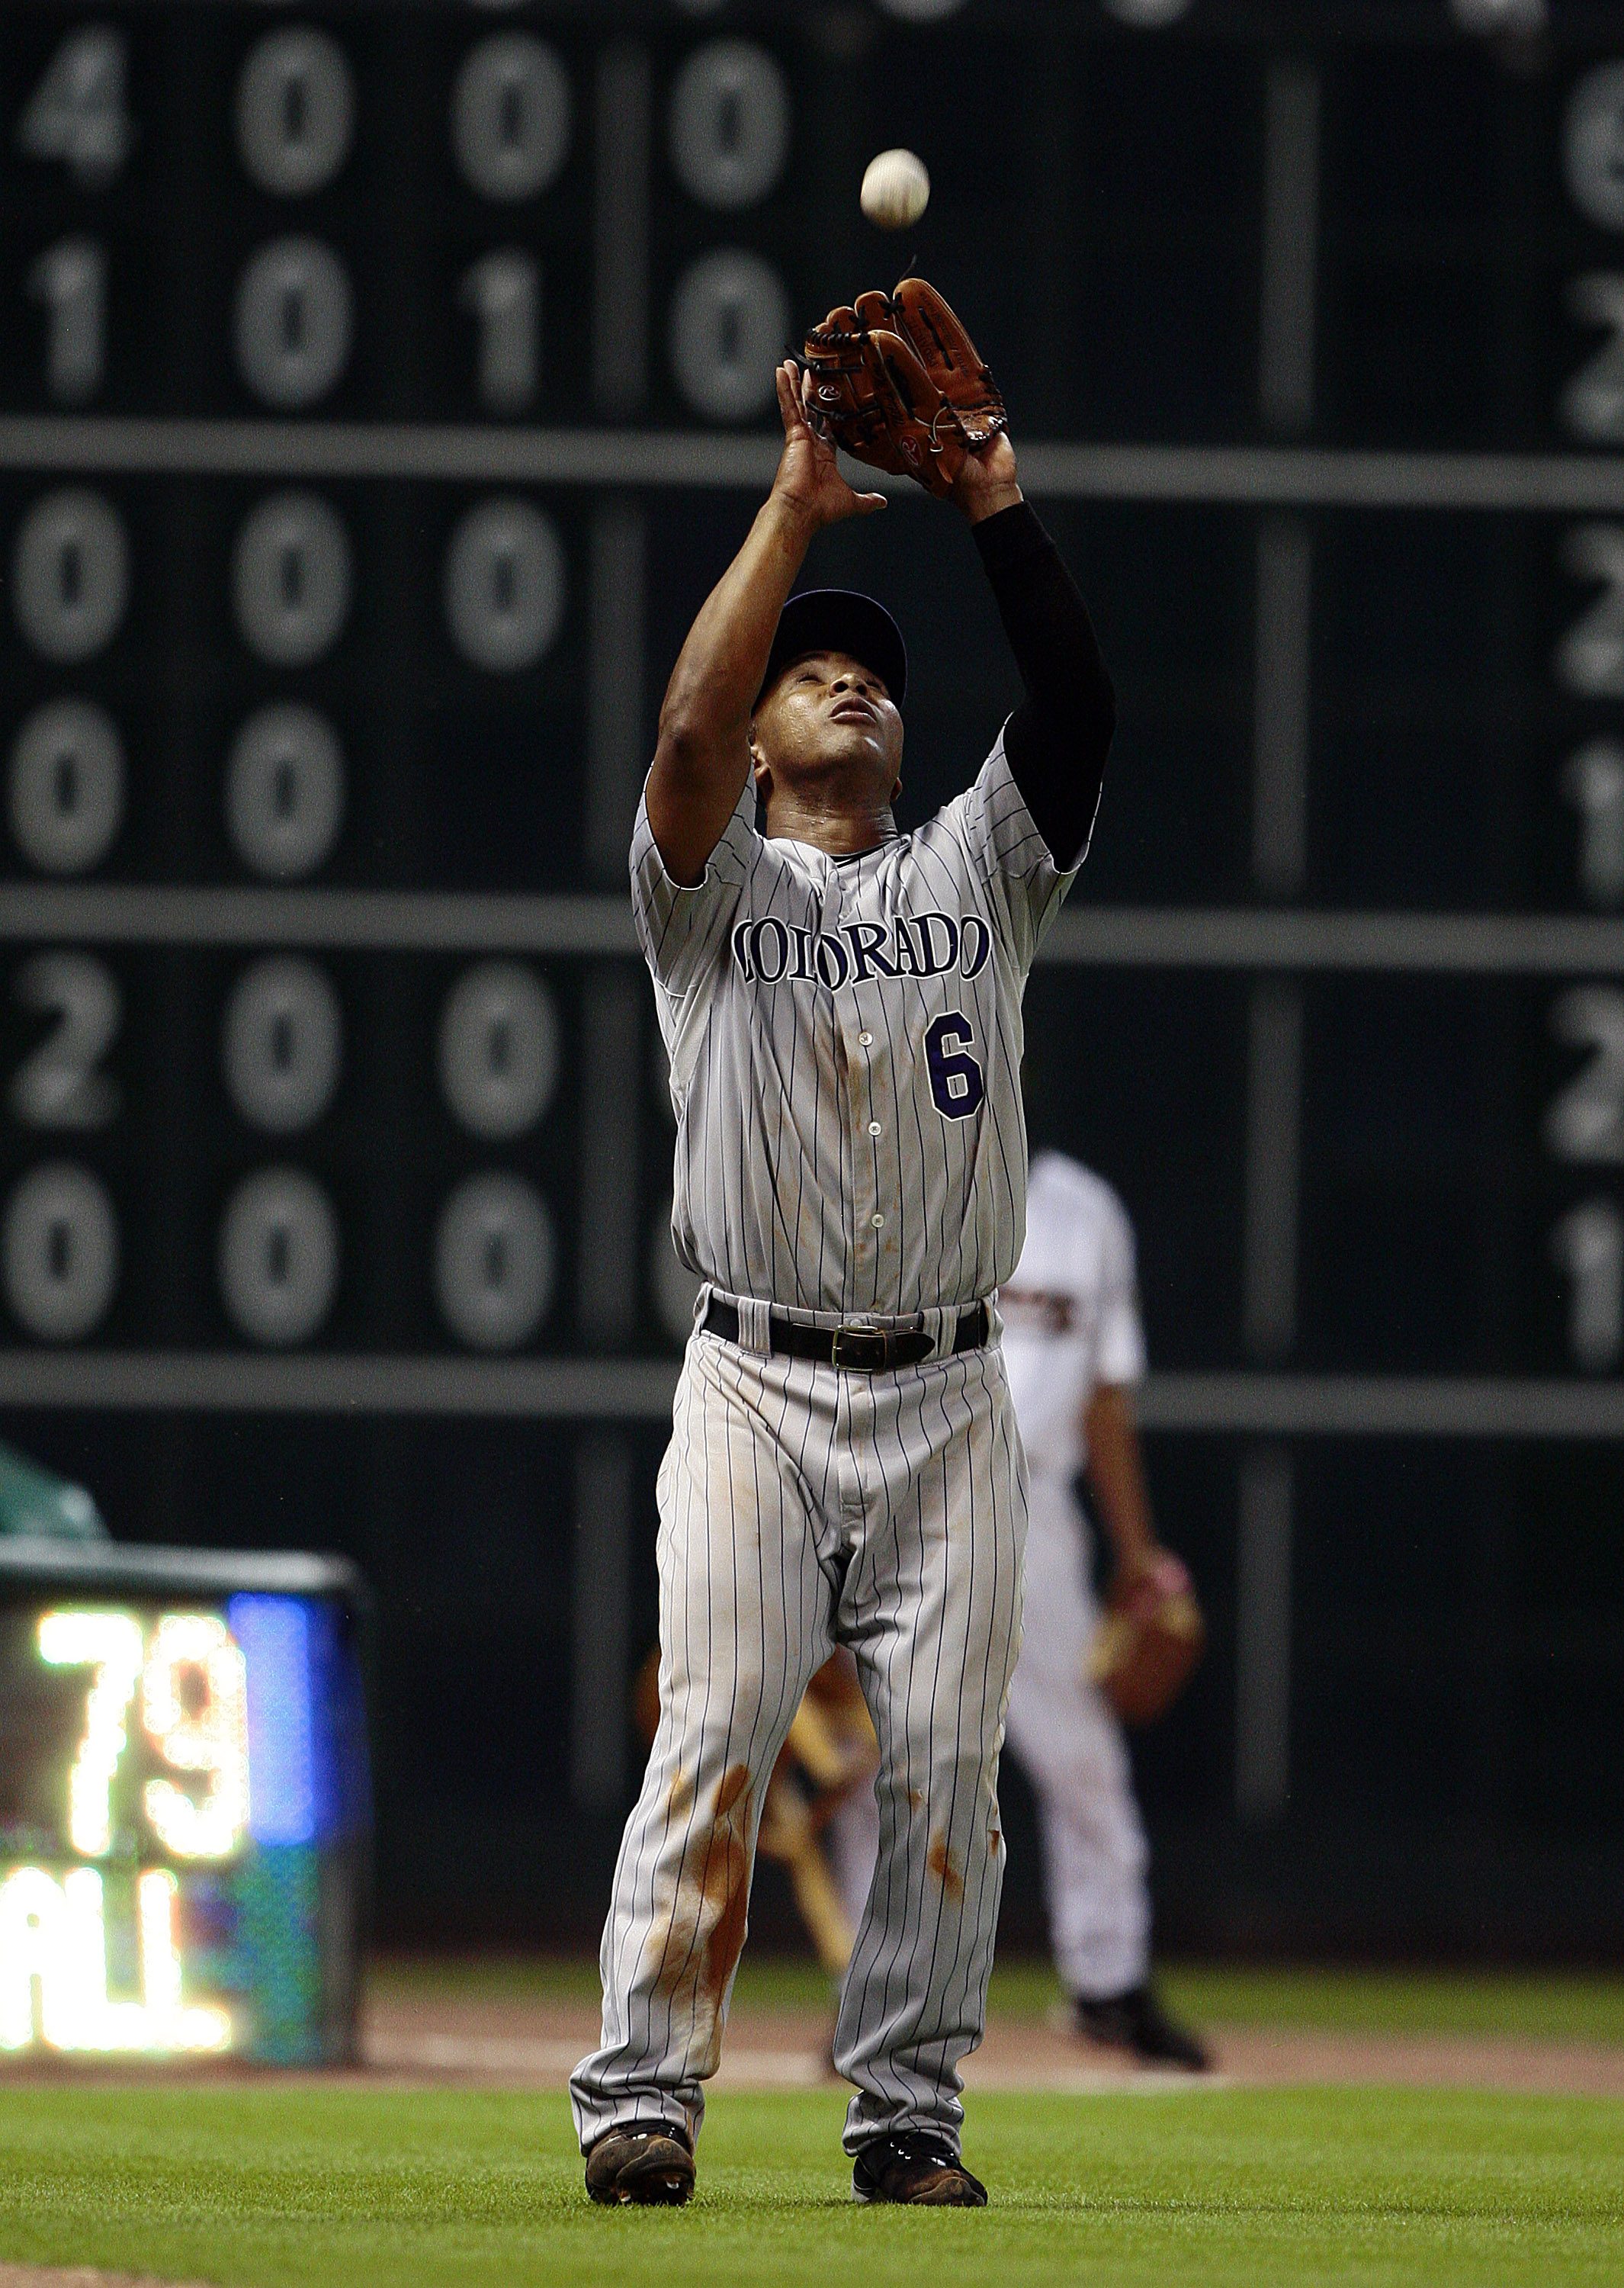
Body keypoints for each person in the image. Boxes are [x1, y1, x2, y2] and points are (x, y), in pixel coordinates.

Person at [570, 345, 1115, 2207]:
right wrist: (795, 506)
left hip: (953, 1400)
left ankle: (908, 2116)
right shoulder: (707, 899)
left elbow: (1078, 704)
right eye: (818, 671)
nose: (854, 688)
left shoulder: (982, 866)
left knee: (950, 1772)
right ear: (771, 731)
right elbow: (677, 737)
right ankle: (644, 2094)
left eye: (875, 675)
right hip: (755, 1388)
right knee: (714, 1729)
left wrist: (988, 499)